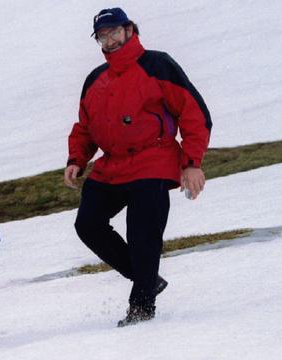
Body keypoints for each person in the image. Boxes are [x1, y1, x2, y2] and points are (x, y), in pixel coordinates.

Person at [64, 8, 212, 327]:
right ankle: (146, 278)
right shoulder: (95, 80)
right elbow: (85, 128)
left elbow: (194, 114)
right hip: (112, 165)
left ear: (130, 29)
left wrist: (191, 164)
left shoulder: (158, 65)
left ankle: (141, 309)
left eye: (115, 31)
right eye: (103, 35)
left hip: (154, 159)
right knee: (88, 223)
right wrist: (77, 159)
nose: (110, 39)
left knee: (142, 233)